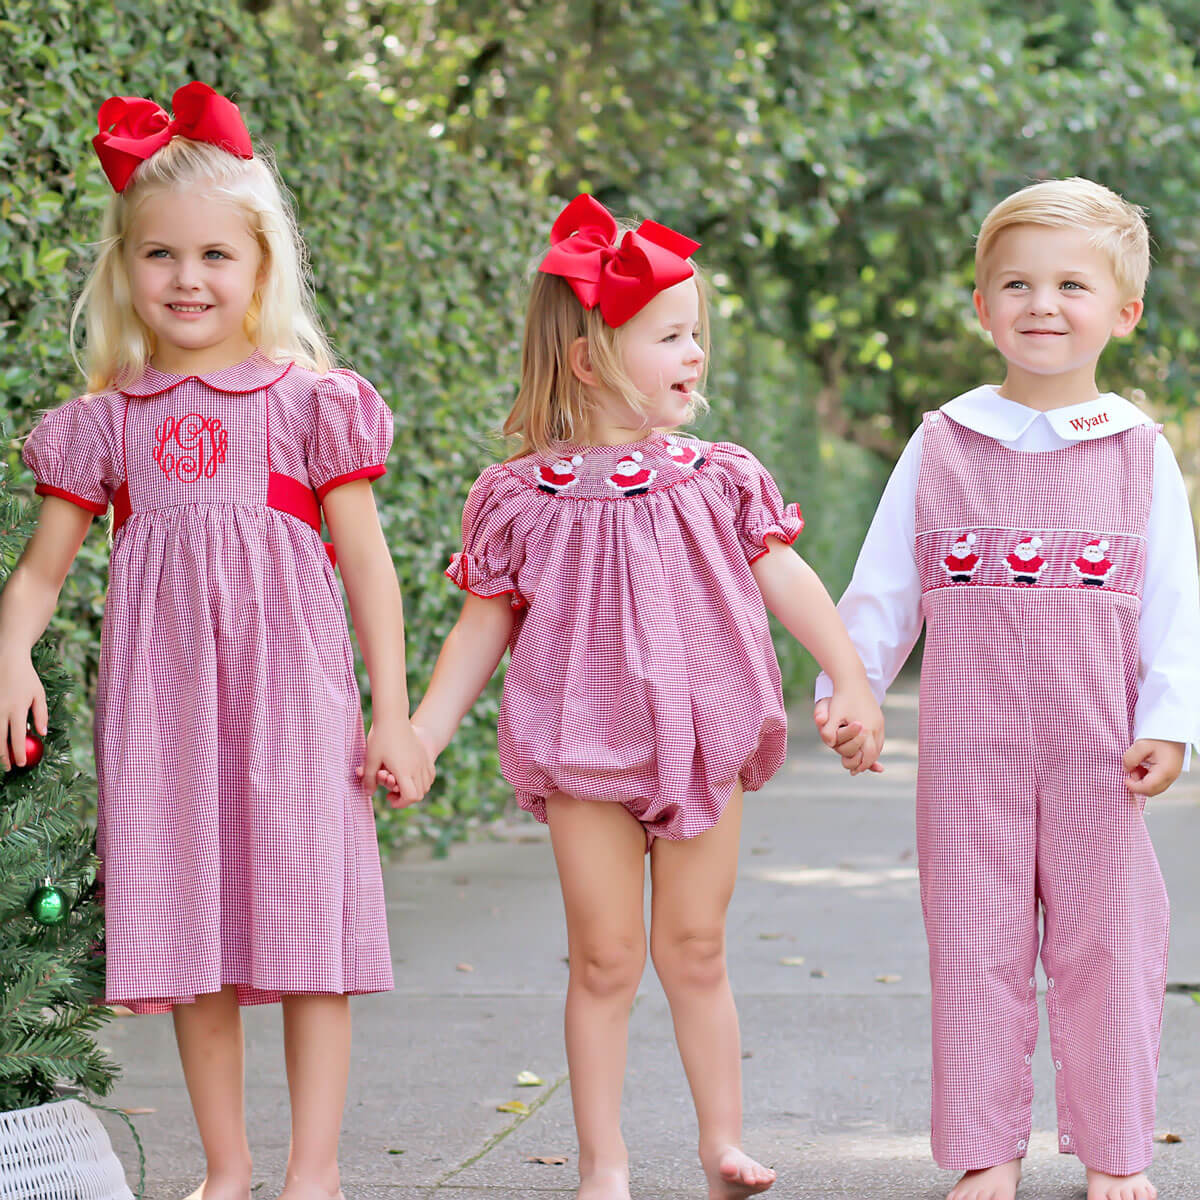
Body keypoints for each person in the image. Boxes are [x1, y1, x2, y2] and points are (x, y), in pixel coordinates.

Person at [379, 194, 884, 1200]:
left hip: (701, 740)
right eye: (670, 336)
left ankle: (722, 1143)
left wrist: (852, 678)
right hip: (584, 752)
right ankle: (603, 1163)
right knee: (604, 959)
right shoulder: (523, 495)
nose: (693, 352)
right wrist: (423, 730)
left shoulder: (719, 476)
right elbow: (484, 623)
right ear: (588, 361)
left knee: (695, 947)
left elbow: (785, 575)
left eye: (696, 333)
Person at [0, 82, 433, 1200]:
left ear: (260, 266)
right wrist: (9, 653)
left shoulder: (309, 403)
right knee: (191, 934)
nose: (187, 279)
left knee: (308, 933)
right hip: (164, 712)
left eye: (213, 255)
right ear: (124, 268)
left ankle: (314, 1171)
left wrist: (394, 710)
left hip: (294, 702)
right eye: (159, 255)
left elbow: (369, 565)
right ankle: (228, 1170)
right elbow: (42, 571)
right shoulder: (109, 422)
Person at [814, 177, 1200, 1200]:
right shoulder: (943, 441)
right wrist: (847, 688)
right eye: (1016, 283)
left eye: (1072, 284)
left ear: (1123, 311)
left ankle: (1116, 1152)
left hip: (1097, 753)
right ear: (980, 306)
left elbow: (1174, 605)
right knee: (973, 945)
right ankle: (986, 1150)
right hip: (967, 752)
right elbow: (884, 585)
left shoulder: (1137, 452)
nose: (1042, 303)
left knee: (1108, 948)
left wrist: (1169, 725)